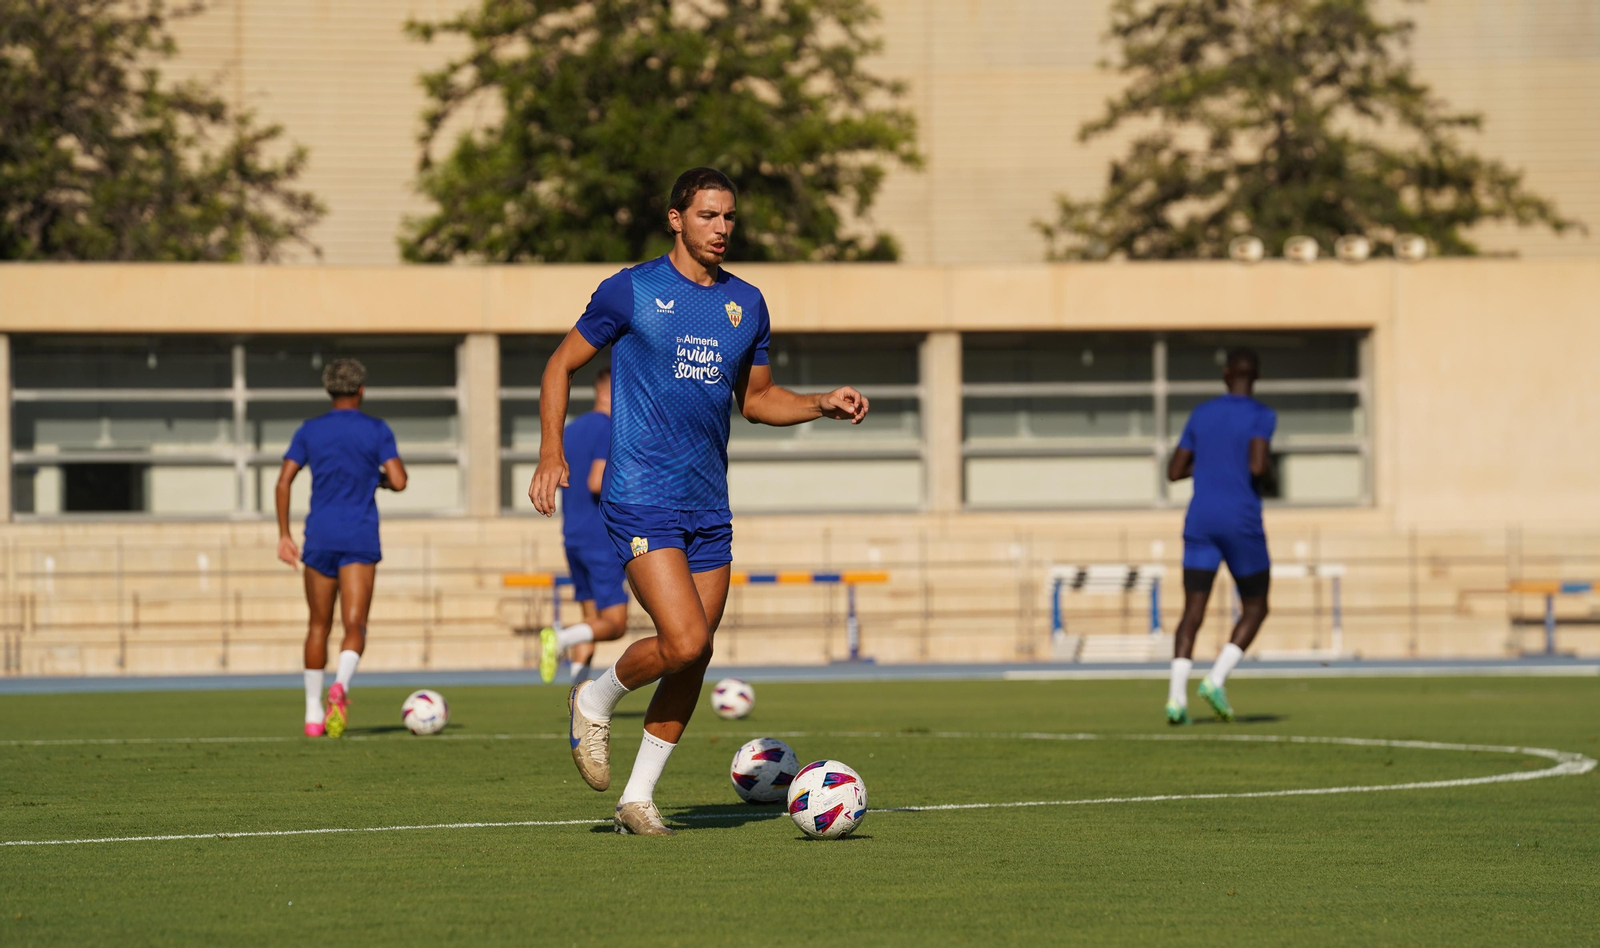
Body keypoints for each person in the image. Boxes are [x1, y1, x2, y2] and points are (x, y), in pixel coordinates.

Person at [528, 167, 869, 836]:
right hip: (640, 496)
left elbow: (758, 399)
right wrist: (551, 452)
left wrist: (818, 403)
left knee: (697, 651)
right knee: (682, 639)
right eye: (708, 215)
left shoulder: (747, 303)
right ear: (676, 219)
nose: (721, 228)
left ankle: (637, 798)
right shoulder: (631, 290)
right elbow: (558, 365)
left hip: (707, 505)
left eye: (729, 217)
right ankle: (592, 698)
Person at [275, 358, 407, 738]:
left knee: (318, 625)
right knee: (355, 624)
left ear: (329, 391)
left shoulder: (309, 430)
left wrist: (284, 534)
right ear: (361, 390)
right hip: (359, 538)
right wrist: (376, 479)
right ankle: (341, 687)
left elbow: (283, 481)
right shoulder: (376, 429)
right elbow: (398, 480)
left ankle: (313, 714)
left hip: (319, 537)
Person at [1165, 348, 1275, 725]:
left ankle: (1176, 699)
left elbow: (1174, 471)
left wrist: (1209, 461)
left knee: (1191, 612)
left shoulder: (1201, 414)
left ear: (1226, 374)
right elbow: (1258, 465)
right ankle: (1215, 679)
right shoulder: (1262, 415)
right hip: (1240, 521)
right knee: (1257, 607)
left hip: (1200, 522)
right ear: (1255, 376)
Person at [537, 367, 630, 684]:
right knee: (615, 624)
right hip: (600, 538)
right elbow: (596, 481)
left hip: (573, 536)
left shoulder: (572, 430)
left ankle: (579, 694)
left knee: (590, 622)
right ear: (607, 392)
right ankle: (560, 639)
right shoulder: (608, 428)